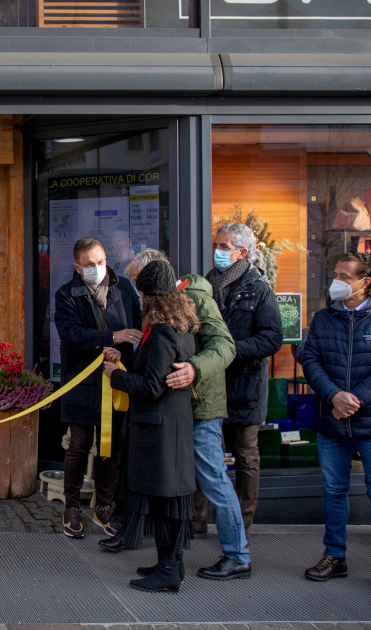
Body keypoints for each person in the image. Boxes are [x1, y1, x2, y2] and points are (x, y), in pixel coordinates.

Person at [116, 249, 249, 581]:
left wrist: (193, 368)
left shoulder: (191, 300)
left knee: (211, 479)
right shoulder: (166, 310)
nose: (137, 291)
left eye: (138, 282)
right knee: (176, 486)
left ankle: (237, 555)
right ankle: (171, 559)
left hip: (199, 402)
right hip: (180, 404)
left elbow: (225, 346)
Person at [299, 252, 371, 598]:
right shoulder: (323, 318)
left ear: (367, 282)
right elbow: (310, 358)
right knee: (334, 490)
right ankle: (335, 556)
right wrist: (334, 396)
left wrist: (354, 399)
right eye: (336, 274)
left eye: (345, 276)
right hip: (333, 422)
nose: (337, 281)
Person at [100, 259, 199, 593]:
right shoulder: (179, 325)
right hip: (171, 427)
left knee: (164, 500)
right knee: (166, 500)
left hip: (159, 430)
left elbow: (151, 387)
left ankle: (169, 569)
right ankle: (170, 563)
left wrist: (117, 376)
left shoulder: (160, 333)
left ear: (148, 294)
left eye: (140, 290)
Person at [53, 237, 142, 539]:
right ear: (77, 267)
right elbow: (71, 335)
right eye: (90, 265)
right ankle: (72, 507)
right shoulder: (66, 295)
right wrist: (111, 339)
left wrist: (121, 350)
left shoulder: (125, 288)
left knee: (111, 446)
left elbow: (135, 331)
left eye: (101, 261)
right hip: (81, 379)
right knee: (78, 445)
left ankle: (104, 506)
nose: (98, 268)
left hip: (115, 376)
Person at [202, 222, 284, 531]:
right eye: (217, 245)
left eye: (224, 247)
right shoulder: (206, 285)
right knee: (205, 453)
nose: (217, 252)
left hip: (245, 386)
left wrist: (230, 350)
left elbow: (272, 339)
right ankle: (198, 522)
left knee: (246, 457)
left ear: (243, 252)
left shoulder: (259, 288)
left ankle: (240, 525)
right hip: (209, 386)